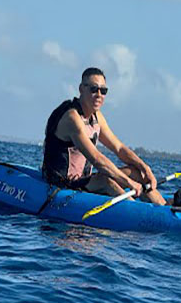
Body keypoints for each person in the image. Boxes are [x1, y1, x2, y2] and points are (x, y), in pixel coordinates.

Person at [42, 67, 166, 204]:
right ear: (81, 89)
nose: (99, 94)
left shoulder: (97, 117)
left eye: (103, 91)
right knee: (106, 181)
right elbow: (96, 159)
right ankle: (137, 212)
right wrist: (129, 183)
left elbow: (119, 148)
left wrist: (145, 168)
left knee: (137, 173)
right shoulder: (72, 118)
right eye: (94, 89)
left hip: (84, 181)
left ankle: (166, 210)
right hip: (62, 183)